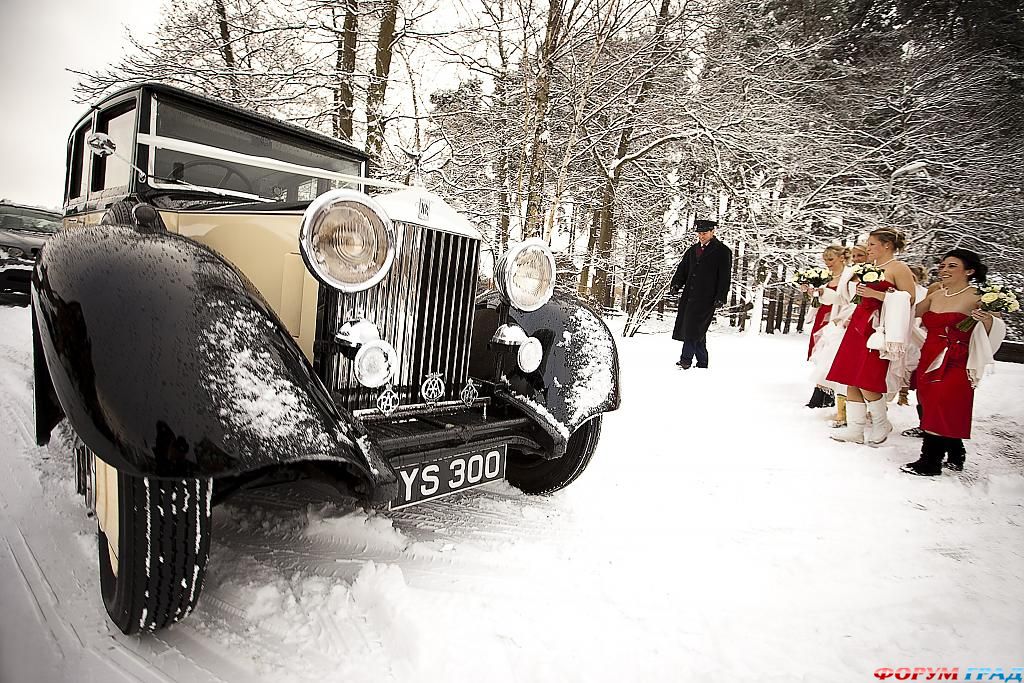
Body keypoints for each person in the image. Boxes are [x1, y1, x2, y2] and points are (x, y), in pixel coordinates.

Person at [900, 249, 1005, 475]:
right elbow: (908, 312)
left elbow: (995, 332)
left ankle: (930, 462)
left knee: (943, 402)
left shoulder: (979, 297)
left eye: (951, 266)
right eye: (943, 265)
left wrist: (987, 319)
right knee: (932, 403)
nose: (944, 269)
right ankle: (956, 454)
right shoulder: (937, 295)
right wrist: (889, 294)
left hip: (957, 359)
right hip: (929, 355)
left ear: (969, 271)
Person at [827, 228, 917, 445]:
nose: (867, 248)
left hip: (877, 328)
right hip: (858, 323)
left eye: (872, 244)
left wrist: (877, 294)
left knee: (868, 378)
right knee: (850, 376)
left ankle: (881, 422)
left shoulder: (898, 268)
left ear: (887, 245)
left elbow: (909, 299)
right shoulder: (869, 268)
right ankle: (855, 429)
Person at [670, 219, 732, 369]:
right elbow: (682, 270)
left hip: (707, 299)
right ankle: (703, 362)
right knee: (697, 330)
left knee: (693, 328)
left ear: (712, 232)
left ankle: (685, 361)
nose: (702, 236)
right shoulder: (692, 251)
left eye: (705, 233)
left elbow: (724, 277)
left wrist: (720, 297)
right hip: (689, 297)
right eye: (699, 233)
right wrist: (676, 284)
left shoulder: (723, 252)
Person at [804, 245, 849, 408]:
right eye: (825, 259)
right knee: (820, 351)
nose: (827, 263)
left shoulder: (848, 276)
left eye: (831, 259)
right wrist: (811, 292)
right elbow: (818, 298)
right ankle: (822, 391)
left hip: (838, 315)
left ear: (842, 258)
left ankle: (826, 393)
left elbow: (847, 299)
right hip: (823, 314)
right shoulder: (825, 276)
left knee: (831, 352)